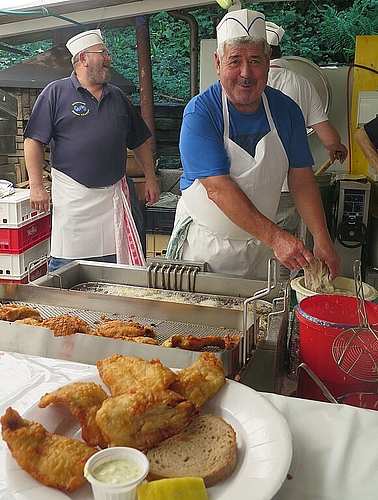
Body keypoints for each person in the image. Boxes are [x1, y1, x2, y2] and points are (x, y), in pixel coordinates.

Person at [166, 9, 340, 282]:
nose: (245, 73)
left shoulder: (287, 112)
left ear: (268, 61)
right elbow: (218, 189)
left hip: (260, 250)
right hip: (203, 251)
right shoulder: (201, 113)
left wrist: (322, 237)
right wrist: (276, 237)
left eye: (255, 60)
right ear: (218, 63)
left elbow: (302, 179)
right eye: (235, 60)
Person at [23, 29, 160, 272]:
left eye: (107, 53)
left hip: (113, 201)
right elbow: (33, 140)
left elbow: (139, 141)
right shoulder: (55, 93)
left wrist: (150, 178)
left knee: (116, 267)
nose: (109, 58)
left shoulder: (117, 97)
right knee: (68, 268)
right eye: (103, 53)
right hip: (74, 201)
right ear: (83, 59)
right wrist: (36, 185)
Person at [266, 21, 348, 280]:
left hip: (251, 192)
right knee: (282, 261)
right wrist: (337, 147)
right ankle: (276, 307)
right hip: (287, 191)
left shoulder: (241, 83)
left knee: (258, 258)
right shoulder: (299, 82)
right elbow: (328, 137)